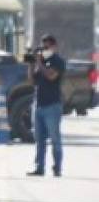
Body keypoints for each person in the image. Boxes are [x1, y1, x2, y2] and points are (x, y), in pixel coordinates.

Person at [28, 33, 66, 177]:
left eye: (47, 46)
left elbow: (51, 76)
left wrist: (39, 63)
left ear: (54, 46)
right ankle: (39, 167)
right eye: (43, 46)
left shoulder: (58, 61)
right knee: (39, 139)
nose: (44, 49)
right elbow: (32, 81)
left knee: (55, 138)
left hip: (52, 105)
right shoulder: (41, 62)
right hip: (38, 104)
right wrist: (31, 64)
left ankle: (57, 167)